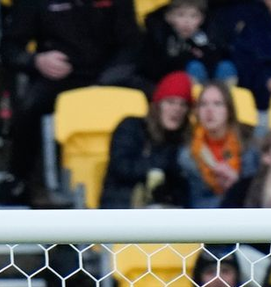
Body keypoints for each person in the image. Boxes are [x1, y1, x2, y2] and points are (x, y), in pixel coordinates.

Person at [0, 0, 141, 204]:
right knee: (29, 107)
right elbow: (9, 47)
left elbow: (131, 44)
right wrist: (36, 60)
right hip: (59, 77)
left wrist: (108, 78)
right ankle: (20, 178)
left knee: (155, 103)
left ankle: (149, 172)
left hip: (110, 76)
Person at [99, 70, 191, 210]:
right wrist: (163, 162)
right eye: (170, 102)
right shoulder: (131, 126)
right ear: (157, 105)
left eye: (182, 104)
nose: (176, 109)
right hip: (122, 204)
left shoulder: (183, 140)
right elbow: (121, 168)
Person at [178, 81, 256, 209]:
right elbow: (195, 203)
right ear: (197, 112)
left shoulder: (249, 147)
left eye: (217, 104)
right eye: (203, 104)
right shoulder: (187, 154)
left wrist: (238, 185)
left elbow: (256, 199)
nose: (209, 111)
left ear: (229, 110)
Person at [136, 0, 234, 93]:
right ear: (168, 17)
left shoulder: (206, 38)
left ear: (202, 19)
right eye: (181, 15)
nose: (187, 21)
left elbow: (218, 56)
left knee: (226, 67)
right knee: (194, 67)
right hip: (173, 85)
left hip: (209, 81)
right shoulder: (161, 37)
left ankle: (224, 99)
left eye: (194, 16)